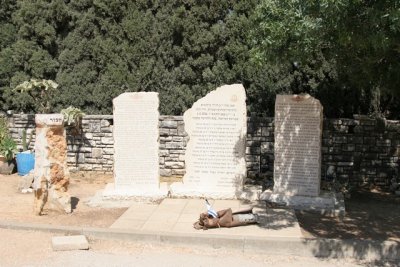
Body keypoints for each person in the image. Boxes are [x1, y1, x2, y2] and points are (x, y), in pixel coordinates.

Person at [193, 200, 259, 230]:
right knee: (248, 218)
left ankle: (253, 217)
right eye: (205, 219)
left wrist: (207, 215)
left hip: (230, 219)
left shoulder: (208, 221)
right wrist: (215, 214)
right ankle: (255, 218)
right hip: (231, 220)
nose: (206, 219)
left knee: (244, 216)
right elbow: (228, 210)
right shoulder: (210, 223)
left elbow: (211, 219)